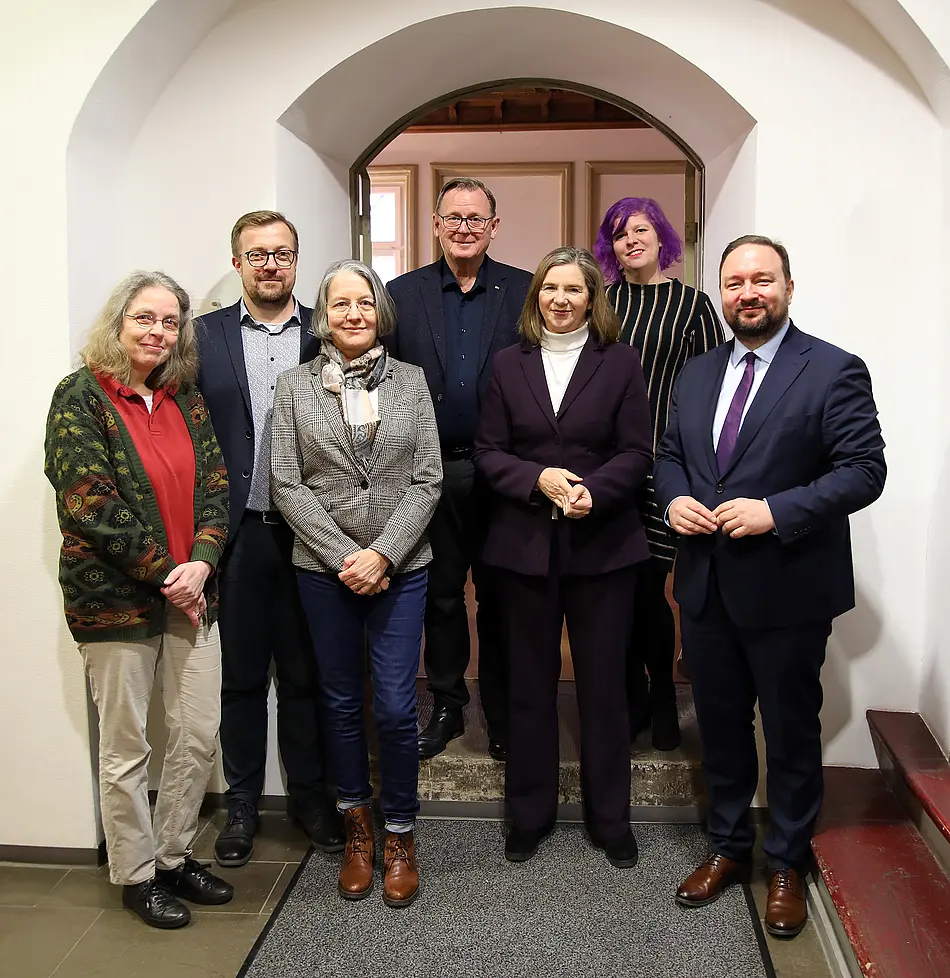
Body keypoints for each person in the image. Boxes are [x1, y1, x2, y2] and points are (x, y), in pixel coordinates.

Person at [654, 236, 886, 938]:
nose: (747, 293)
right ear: (720, 293)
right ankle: (729, 847)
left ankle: (786, 861)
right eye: (734, 283)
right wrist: (674, 499)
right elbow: (670, 455)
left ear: (788, 286)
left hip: (788, 589)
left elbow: (863, 471)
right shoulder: (697, 372)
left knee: (788, 731)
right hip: (706, 585)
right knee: (720, 728)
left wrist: (776, 512)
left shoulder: (834, 369)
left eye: (761, 280)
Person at [44, 271, 234, 929]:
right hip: (115, 602)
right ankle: (135, 873)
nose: (158, 331)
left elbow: (216, 485)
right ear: (118, 322)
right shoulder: (80, 396)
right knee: (127, 748)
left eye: (170, 322)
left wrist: (201, 562)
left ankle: (174, 856)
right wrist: (167, 572)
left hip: (192, 595)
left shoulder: (186, 398)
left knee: (198, 732)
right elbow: (88, 501)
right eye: (145, 318)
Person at [474, 247, 654, 866]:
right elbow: (488, 451)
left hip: (603, 546)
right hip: (522, 546)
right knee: (528, 686)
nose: (560, 299)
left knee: (605, 689)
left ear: (592, 298)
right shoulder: (509, 363)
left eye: (574, 289)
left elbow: (637, 451)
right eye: (551, 288)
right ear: (536, 296)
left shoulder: (620, 360)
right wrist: (538, 479)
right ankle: (530, 814)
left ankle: (611, 819)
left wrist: (592, 493)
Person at [271, 259, 442, 908]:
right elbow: (286, 481)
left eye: (364, 303)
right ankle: (357, 828)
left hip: (402, 568)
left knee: (395, 707)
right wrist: (347, 556)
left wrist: (384, 555)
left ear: (380, 312)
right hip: (324, 571)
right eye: (340, 303)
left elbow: (428, 478)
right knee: (340, 702)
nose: (353, 314)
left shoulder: (411, 381)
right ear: (324, 314)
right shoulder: (294, 386)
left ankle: (400, 831)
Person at [196, 210, 341, 867]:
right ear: (238, 263)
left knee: (307, 676)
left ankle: (310, 800)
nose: (271, 264)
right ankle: (242, 806)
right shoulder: (204, 337)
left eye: (282, 253)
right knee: (242, 680)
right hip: (241, 536)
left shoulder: (328, 332)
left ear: (296, 260)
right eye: (257, 254)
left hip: (313, 534)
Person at [387, 177, 532, 762]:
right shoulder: (401, 294)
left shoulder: (525, 291)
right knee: (441, 596)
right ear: (436, 224)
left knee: (500, 597)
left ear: (493, 227)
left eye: (475, 219)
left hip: (505, 472)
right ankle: (447, 704)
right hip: (429, 474)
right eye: (454, 217)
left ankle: (501, 710)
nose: (464, 228)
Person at [594, 197, 725, 751]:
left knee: (651, 588)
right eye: (619, 234)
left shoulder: (692, 304)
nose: (631, 240)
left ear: (661, 237)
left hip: (666, 460)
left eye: (641, 230)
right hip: (607, 463)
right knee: (616, 590)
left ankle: (663, 696)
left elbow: (713, 383)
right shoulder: (600, 302)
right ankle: (629, 697)